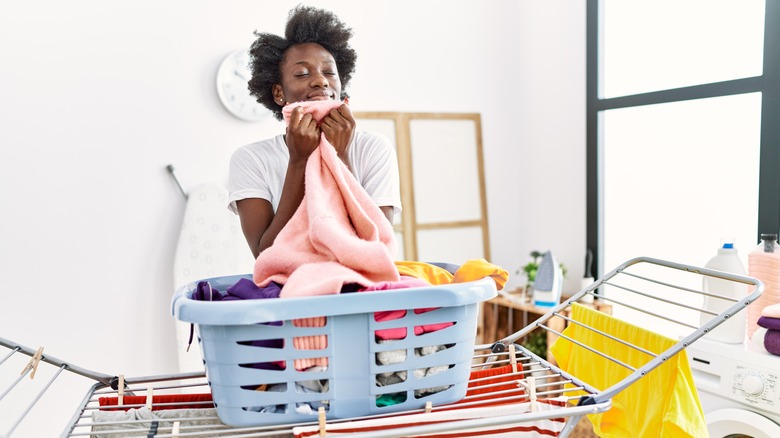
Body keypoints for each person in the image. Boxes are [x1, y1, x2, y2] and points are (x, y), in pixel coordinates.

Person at [228, 5, 402, 258]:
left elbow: (376, 245)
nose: (321, 81)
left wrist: (339, 157)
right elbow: (266, 254)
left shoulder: (373, 148)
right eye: (302, 73)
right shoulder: (251, 159)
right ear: (279, 93)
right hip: (290, 293)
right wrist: (299, 161)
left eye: (329, 72)